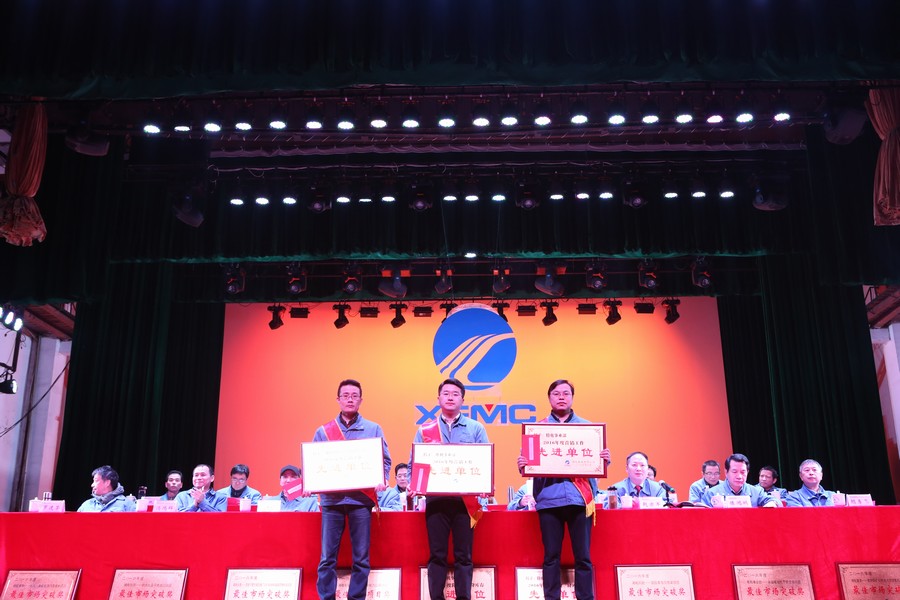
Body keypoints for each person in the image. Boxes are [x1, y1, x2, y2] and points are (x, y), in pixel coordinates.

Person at [515, 379, 611, 600]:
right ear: (549, 398)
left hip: (580, 500)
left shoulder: (589, 429)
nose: (561, 397)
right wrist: (523, 464)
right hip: (549, 501)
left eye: (566, 393)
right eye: (556, 393)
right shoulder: (536, 429)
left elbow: (597, 463)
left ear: (572, 398)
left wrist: (604, 459)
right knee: (551, 557)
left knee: (583, 557)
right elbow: (529, 463)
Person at [313, 379, 391, 600]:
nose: (350, 399)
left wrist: (382, 479)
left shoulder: (373, 429)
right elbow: (314, 463)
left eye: (354, 396)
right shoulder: (323, 431)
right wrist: (311, 483)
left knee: (361, 558)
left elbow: (385, 460)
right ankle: (326, 597)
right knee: (327, 558)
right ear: (338, 399)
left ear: (361, 400)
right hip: (332, 501)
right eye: (345, 395)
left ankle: (356, 598)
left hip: (360, 501)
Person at [414, 378, 489, 600]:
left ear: (462, 400)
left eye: (455, 394)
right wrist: (414, 484)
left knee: (463, 556)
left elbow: (485, 462)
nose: (450, 397)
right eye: (446, 393)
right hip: (436, 501)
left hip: (465, 503)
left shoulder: (475, 428)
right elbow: (414, 464)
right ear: (438, 398)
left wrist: (485, 484)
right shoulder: (425, 430)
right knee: (437, 555)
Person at [701, 454, 778, 508]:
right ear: (726, 472)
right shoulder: (711, 493)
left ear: (747, 472)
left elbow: (775, 501)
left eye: (743, 472)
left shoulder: (756, 492)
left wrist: (772, 503)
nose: (739, 476)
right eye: (734, 472)